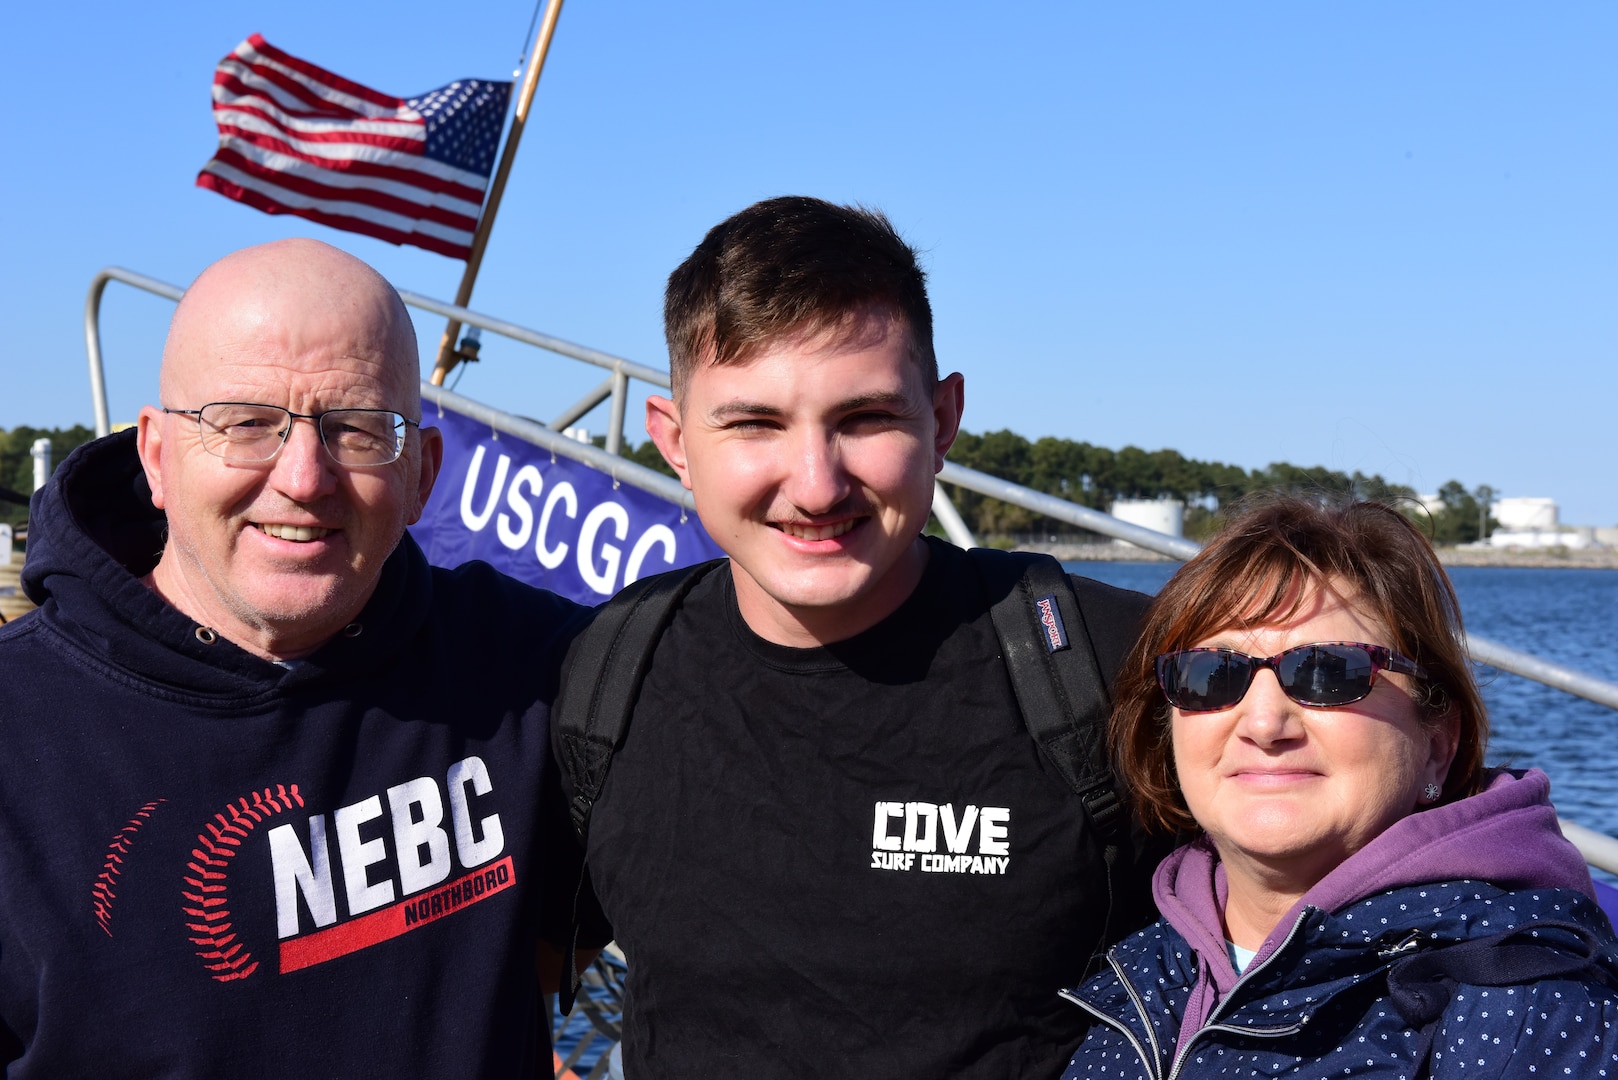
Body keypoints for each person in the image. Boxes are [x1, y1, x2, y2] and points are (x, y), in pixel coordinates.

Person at [563, 196, 1167, 1078]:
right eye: (754, 423)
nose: (815, 485)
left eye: (866, 418)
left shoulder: (1106, 665)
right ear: (674, 441)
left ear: (944, 421)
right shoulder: (601, 676)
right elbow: (507, 968)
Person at [0, 239, 586, 1076]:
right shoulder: (17, 736)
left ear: (421, 473)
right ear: (157, 458)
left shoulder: (542, 669)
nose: (305, 478)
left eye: (355, 429)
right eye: (245, 424)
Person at [1060, 497, 1618, 1079]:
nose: (1263, 724)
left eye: (1329, 671)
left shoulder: (1526, 1013)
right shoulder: (1139, 969)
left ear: (1438, 744)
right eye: (1210, 674)